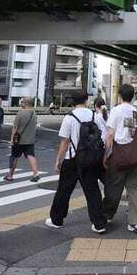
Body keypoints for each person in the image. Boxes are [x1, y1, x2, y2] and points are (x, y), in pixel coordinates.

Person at [47, 91, 108, 233]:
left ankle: (57, 220)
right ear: (86, 101)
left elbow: (64, 141)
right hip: (91, 158)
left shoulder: (69, 117)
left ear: (72, 102)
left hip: (72, 159)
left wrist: (58, 160)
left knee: (64, 190)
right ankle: (99, 223)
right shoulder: (95, 116)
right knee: (92, 191)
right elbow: (103, 138)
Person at [102, 84, 137, 233]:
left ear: (120, 96)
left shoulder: (116, 110)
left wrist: (106, 154)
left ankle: (106, 217)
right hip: (134, 156)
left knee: (114, 186)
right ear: (133, 96)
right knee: (134, 188)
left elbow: (110, 134)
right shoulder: (136, 112)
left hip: (118, 155)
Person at [5, 96, 40, 182]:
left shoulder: (20, 113)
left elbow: (15, 127)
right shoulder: (34, 114)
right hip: (30, 140)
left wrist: (12, 139)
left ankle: (10, 175)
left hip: (19, 140)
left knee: (14, 157)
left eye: (22, 102)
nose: (21, 104)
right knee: (31, 155)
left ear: (25, 103)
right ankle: (36, 173)